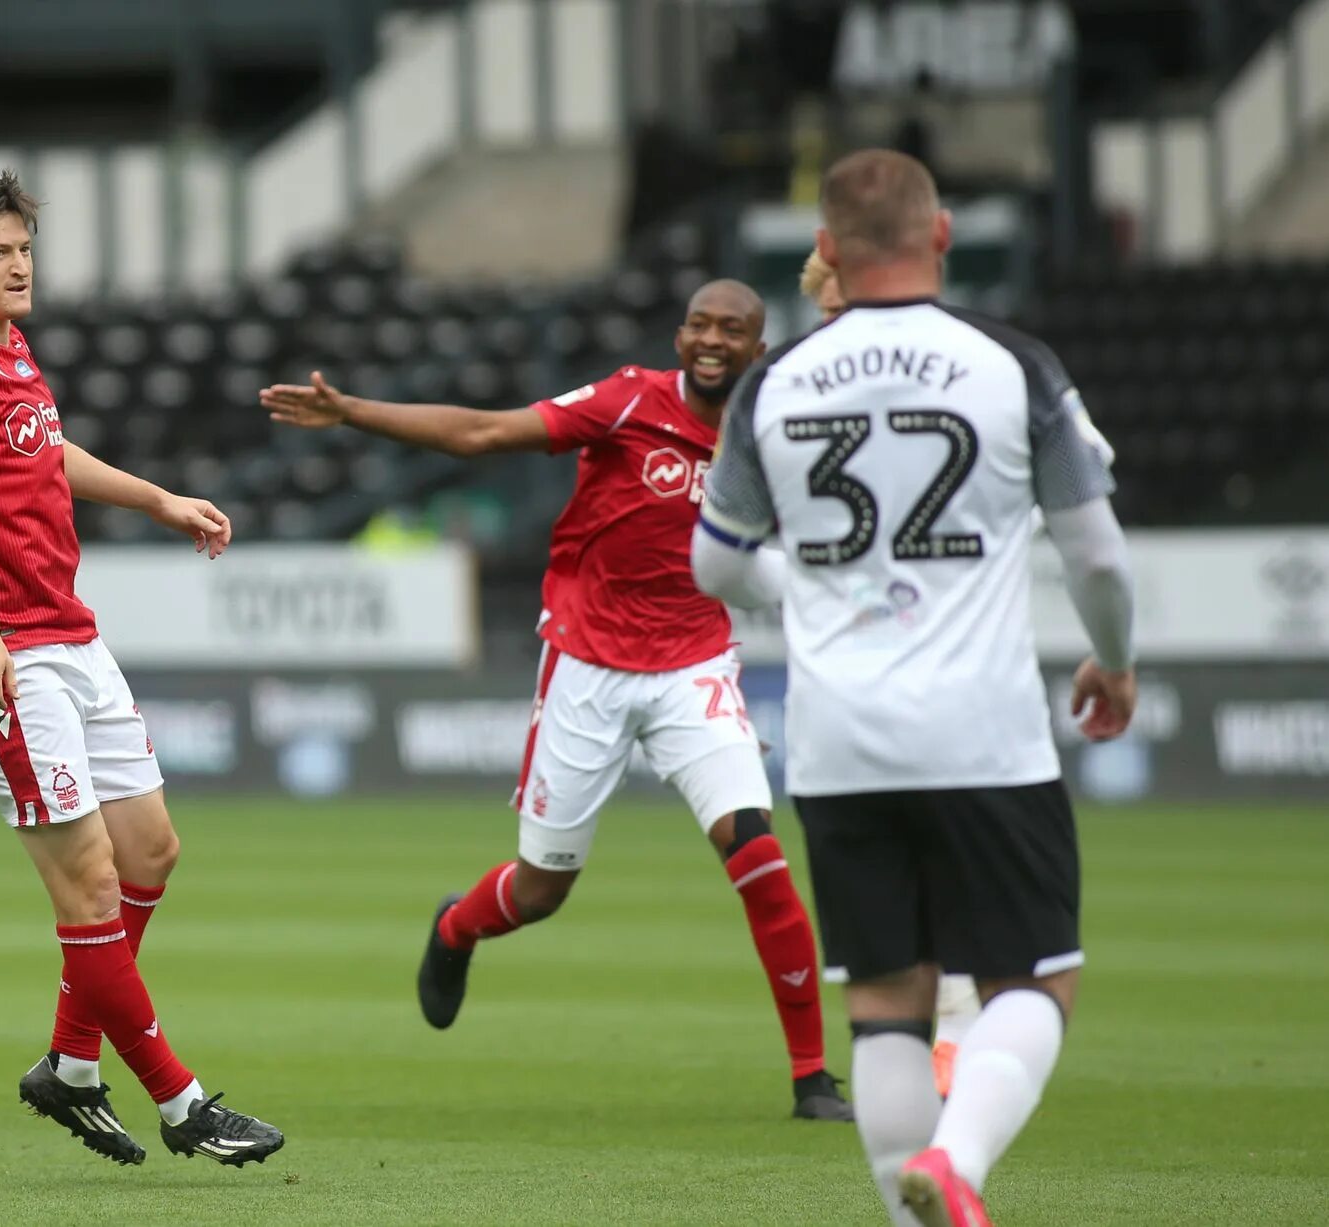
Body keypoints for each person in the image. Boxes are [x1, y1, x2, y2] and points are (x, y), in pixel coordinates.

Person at [261, 281, 854, 1123]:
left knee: (757, 854)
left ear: (756, 350)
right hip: (588, 663)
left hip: (692, 665)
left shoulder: (767, 437)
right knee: (542, 889)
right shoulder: (627, 400)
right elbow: (483, 432)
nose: (711, 339)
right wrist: (351, 410)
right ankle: (456, 929)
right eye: (699, 324)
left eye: (732, 330)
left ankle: (811, 1079)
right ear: (679, 336)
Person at [692, 149, 1135, 1227]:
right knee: (1035, 981)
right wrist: (1114, 659)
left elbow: (714, 564)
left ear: (826, 249)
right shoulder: (1010, 364)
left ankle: (914, 1208)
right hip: (983, 730)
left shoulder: (773, 384)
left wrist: (813, 590)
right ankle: (958, 1159)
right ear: (941, 236)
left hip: (839, 739)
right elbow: (1096, 556)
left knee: (886, 1005)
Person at [0, 171, 283, 1167]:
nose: (20, 266)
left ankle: (68, 1064)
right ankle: (183, 1104)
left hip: (71, 637)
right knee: (91, 884)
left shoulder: (9, 351)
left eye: (25, 248)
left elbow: (45, 452)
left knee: (150, 852)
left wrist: (158, 500)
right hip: (8, 656)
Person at [797, 247, 983, 1099]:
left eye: (845, 309)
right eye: (826, 315)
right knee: (885, 881)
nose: (838, 331)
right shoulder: (800, 398)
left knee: (941, 858)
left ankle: (950, 1032)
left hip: (935, 663)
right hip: (848, 681)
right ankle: (924, 1042)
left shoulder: (959, 379)